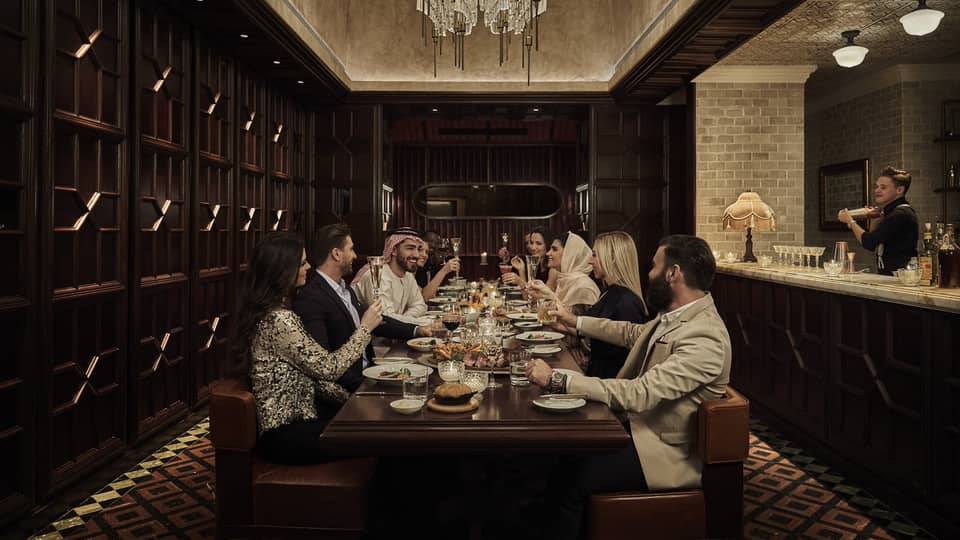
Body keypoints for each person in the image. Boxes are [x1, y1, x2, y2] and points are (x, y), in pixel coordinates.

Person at [525, 234, 731, 539]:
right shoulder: (676, 316)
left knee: (571, 477)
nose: (648, 273)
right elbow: (631, 332)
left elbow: (640, 393)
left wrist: (557, 379)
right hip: (636, 429)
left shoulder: (706, 336)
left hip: (661, 452)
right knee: (560, 456)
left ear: (673, 273)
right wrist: (573, 321)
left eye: (654, 265)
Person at [227, 232, 383, 465]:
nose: (308, 267)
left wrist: (356, 399)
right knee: (381, 439)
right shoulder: (279, 321)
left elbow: (314, 378)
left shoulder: (275, 314)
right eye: (301, 262)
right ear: (283, 271)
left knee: (377, 427)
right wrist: (365, 329)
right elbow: (328, 368)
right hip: (285, 435)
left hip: (300, 423)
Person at [293, 223, 432, 395]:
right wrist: (369, 386)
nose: (355, 255)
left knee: (425, 378)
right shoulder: (311, 298)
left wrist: (417, 330)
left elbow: (378, 321)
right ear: (336, 254)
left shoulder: (344, 289)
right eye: (351, 249)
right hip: (350, 387)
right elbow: (323, 366)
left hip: (370, 371)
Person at [546, 231, 649, 378]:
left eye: (594, 255)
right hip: (595, 376)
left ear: (612, 259)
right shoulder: (610, 292)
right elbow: (601, 335)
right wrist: (562, 327)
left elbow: (623, 358)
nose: (589, 261)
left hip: (608, 385)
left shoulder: (626, 301)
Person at [838, 166, 918, 275]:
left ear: (899, 190)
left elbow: (869, 242)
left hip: (901, 277)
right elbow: (875, 240)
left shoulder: (900, 214)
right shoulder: (891, 212)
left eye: (883, 187)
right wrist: (875, 220)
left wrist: (850, 221)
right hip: (890, 274)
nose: (877, 190)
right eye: (877, 186)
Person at [352, 228, 428, 324]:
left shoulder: (408, 276)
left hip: (395, 334)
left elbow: (420, 306)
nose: (417, 255)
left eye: (418, 249)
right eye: (410, 248)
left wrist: (406, 318)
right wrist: (427, 323)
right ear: (394, 250)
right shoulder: (377, 275)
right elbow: (385, 317)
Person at [526, 231, 600, 314]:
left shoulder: (584, 286)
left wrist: (548, 294)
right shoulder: (565, 279)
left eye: (554, 249)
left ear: (569, 254)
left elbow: (574, 322)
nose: (548, 253)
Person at [416, 235, 461, 301]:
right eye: (420, 250)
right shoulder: (406, 273)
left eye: (426, 252)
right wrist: (444, 270)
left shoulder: (411, 275)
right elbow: (423, 297)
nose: (424, 255)